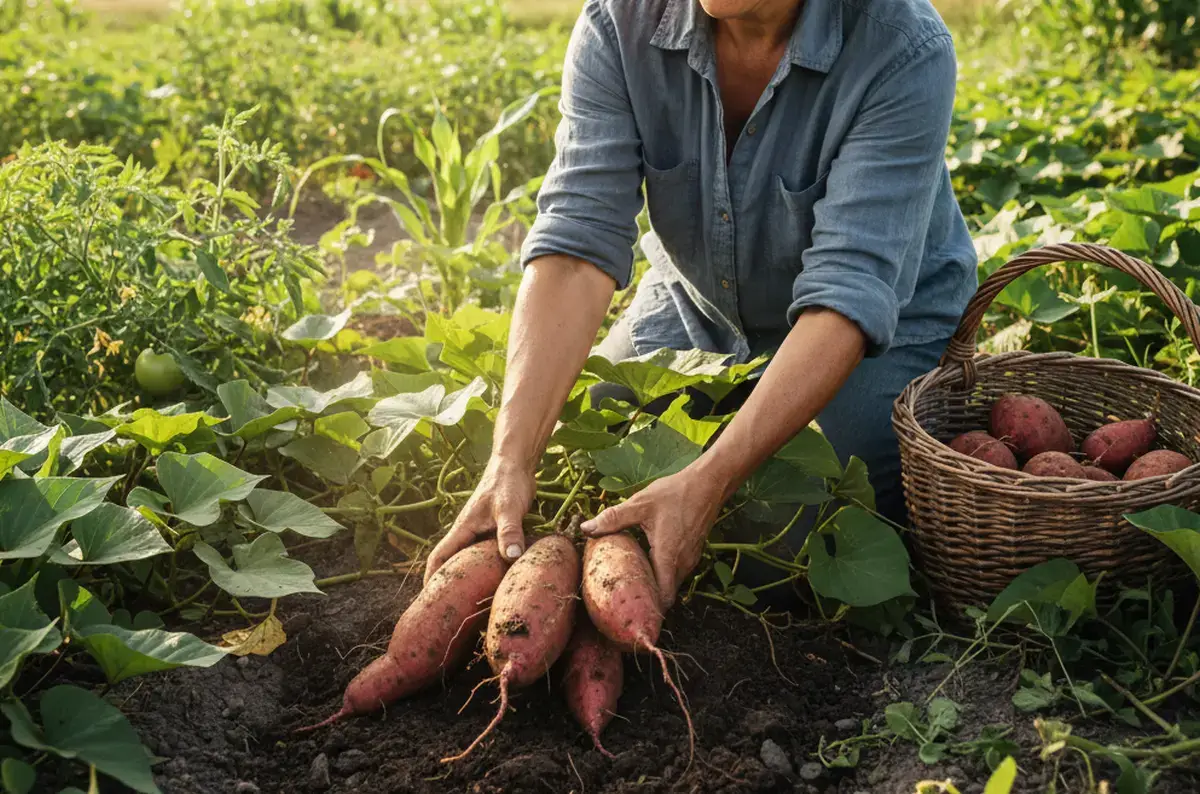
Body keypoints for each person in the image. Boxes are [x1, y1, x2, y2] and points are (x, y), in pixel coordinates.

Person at [424, 0, 978, 609]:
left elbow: (849, 293)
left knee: (782, 541)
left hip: (872, 335)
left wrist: (709, 484)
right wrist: (509, 457)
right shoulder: (620, 22)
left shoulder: (901, 45)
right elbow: (576, 249)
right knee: (590, 454)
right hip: (698, 307)